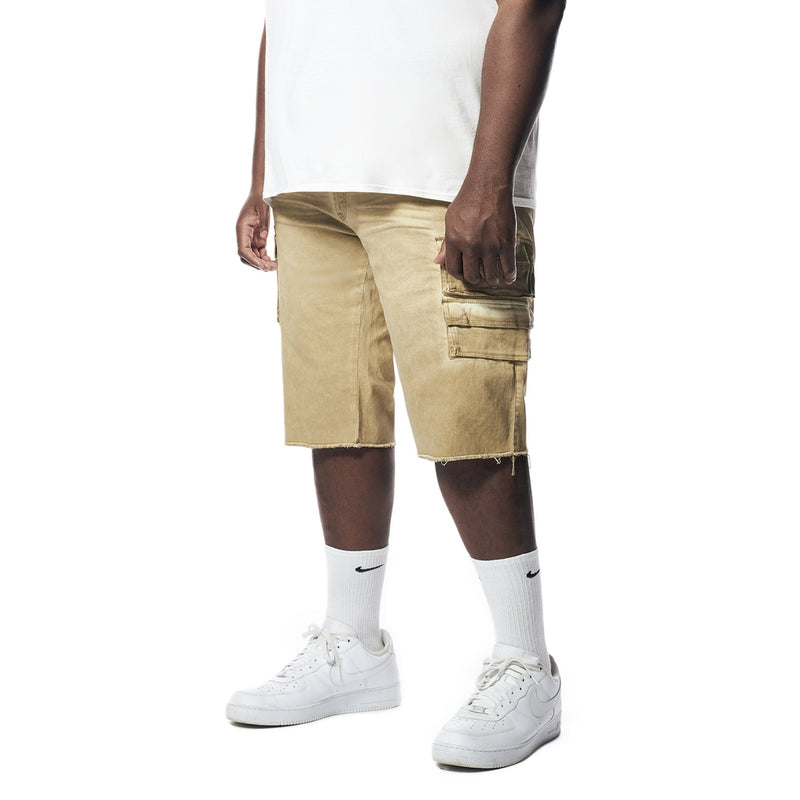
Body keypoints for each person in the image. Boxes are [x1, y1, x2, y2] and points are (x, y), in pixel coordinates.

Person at [229, 0, 567, 770]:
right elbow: (283, 22)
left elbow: (533, 7)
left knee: (468, 419)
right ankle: (353, 645)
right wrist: (262, 178)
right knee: (337, 412)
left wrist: (490, 178)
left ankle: (527, 662)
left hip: (443, 176)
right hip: (310, 183)